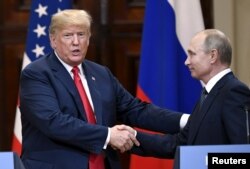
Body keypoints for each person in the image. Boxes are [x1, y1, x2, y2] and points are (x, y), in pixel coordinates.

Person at [19, 9, 188, 169]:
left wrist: (187, 121)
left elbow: (135, 110)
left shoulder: (100, 73)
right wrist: (109, 135)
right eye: (68, 35)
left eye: (81, 34)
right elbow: (54, 122)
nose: (76, 42)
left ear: (89, 38)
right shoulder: (37, 74)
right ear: (53, 40)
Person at [132, 29, 250, 158]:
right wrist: (132, 137)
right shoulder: (207, 95)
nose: (186, 61)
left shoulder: (233, 91)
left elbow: (242, 155)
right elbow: (179, 143)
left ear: (213, 56)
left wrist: (205, 162)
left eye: (192, 54)